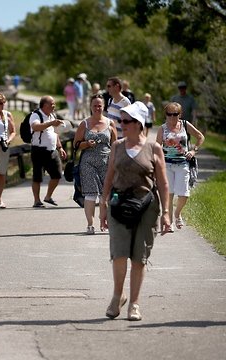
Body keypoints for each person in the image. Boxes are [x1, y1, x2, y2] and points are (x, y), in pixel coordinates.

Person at [100, 101, 171, 322]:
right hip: (119, 205)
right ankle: (117, 296)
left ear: (138, 124)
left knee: (139, 257)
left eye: (127, 121)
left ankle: (134, 304)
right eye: (121, 120)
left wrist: (167, 213)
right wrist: (103, 206)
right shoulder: (117, 146)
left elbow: (163, 184)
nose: (122, 124)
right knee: (119, 253)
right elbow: (109, 176)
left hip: (146, 207)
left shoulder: (153, 148)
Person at [155, 102, 204, 231]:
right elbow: (156, 146)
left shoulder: (185, 125)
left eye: (175, 114)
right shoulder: (162, 128)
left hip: (183, 163)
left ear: (180, 114)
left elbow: (200, 137)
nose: (172, 117)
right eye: (169, 114)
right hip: (167, 165)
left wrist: (194, 151)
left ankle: (177, 213)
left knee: (184, 194)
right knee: (169, 194)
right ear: (165, 115)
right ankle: (169, 222)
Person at [73, 94, 117, 234]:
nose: (97, 108)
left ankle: (106, 220)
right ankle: (90, 224)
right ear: (90, 107)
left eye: (100, 105)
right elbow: (76, 144)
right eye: (95, 105)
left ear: (103, 107)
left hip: (107, 162)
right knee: (90, 194)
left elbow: (115, 144)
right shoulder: (84, 124)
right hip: (88, 162)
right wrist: (86, 144)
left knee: (107, 195)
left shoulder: (110, 123)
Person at [29, 96, 67, 208]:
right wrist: (50, 123)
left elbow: (55, 133)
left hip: (52, 150)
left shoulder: (52, 116)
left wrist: (60, 147)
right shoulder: (36, 115)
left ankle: (48, 196)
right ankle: (37, 200)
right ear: (45, 105)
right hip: (38, 150)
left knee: (57, 175)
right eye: (52, 104)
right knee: (37, 177)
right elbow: (35, 127)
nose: (54, 106)